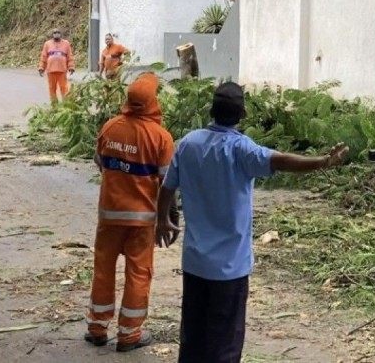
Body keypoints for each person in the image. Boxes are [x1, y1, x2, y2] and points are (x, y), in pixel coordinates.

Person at [155, 82, 349, 363]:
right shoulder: (241, 149)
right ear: (242, 114)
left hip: (195, 263)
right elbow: (281, 161)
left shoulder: (188, 144)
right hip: (229, 268)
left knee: (193, 339)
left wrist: (162, 219)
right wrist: (323, 161)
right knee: (224, 344)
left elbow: (167, 187)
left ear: (211, 111)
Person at [86, 72, 175, 351]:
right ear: (152, 102)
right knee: (138, 273)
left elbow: (100, 163)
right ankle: (129, 334)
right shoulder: (161, 137)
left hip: (109, 216)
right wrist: (169, 216)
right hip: (142, 220)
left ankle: (97, 328)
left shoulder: (110, 127)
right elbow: (168, 183)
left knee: (103, 269)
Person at [38, 28, 74, 103]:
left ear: (61, 34)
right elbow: (43, 57)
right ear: (52, 34)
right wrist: (41, 67)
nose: (56, 34)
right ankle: (54, 105)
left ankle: (66, 104)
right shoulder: (47, 44)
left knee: (64, 88)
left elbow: (69, 56)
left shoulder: (66, 43)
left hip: (62, 70)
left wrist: (71, 67)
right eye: (55, 32)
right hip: (51, 70)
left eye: (58, 32)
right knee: (52, 89)